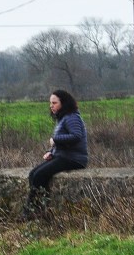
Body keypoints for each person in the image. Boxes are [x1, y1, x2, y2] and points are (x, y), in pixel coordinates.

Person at [23, 89, 89, 220]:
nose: (51, 106)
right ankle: (41, 209)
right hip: (64, 156)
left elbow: (76, 136)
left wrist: (55, 140)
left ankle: (30, 212)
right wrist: (51, 152)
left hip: (74, 159)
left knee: (40, 175)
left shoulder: (72, 117)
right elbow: (62, 143)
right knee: (33, 174)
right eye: (50, 103)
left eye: (54, 103)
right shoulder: (63, 118)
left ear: (63, 103)